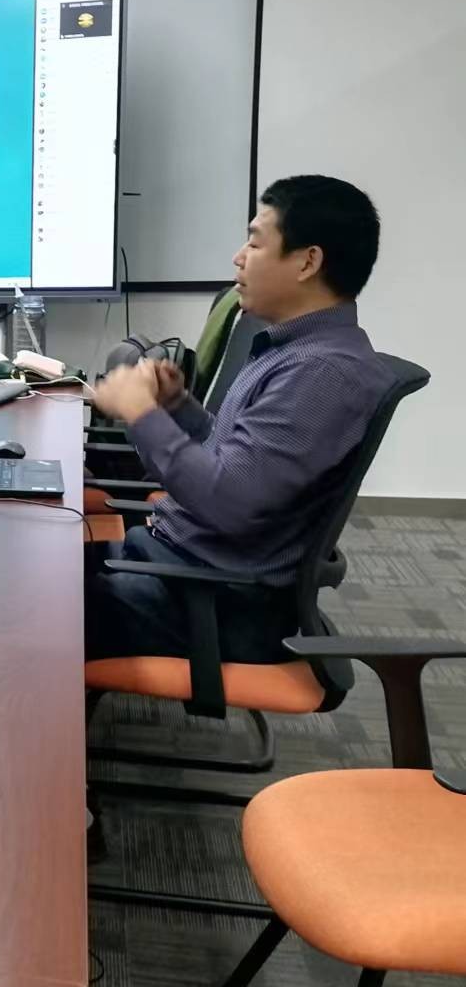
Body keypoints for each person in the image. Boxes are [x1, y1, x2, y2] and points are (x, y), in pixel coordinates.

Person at [87, 175, 394, 663]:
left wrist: (141, 412)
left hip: (210, 603)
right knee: (31, 561)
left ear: (307, 261)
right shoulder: (294, 350)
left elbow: (226, 500)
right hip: (179, 567)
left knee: (15, 600)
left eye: (254, 242)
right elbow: (236, 461)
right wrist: (176, 407)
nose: (239, 257)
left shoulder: (321, 373)